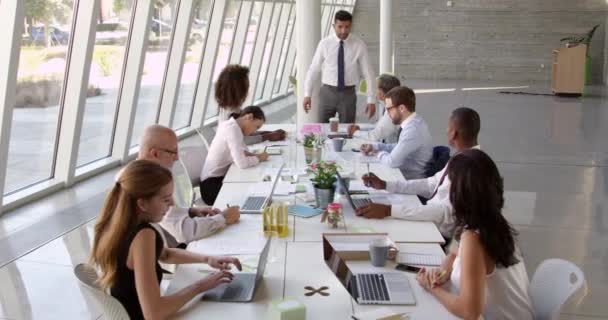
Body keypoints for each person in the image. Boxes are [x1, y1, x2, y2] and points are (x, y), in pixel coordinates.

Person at [91, 160, 242, 320]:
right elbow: (154, 313)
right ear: (142, 204)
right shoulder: (143, 236)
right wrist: (201, 286)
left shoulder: (115, 224)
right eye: (165, 199)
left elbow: (165, 254)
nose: (170, 205)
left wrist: (207, 258)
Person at [416, 149, 534, 320]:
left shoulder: (474, 238)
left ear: (462, 193)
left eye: (451, 186)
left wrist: (432, 288)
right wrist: (442, 272)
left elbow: (468, 312)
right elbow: (455, 254)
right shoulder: (491, 220)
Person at [357, 107, 481, 239]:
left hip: (440, 233)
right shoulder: (463, 158)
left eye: (448, 128)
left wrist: (389, 210)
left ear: (453, 134)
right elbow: (430, 185)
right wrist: (386, 185)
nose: (446, 131)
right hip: (431, 218)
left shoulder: (469, 167)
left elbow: (443, 213)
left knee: (381, 235)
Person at [137, 125, 240, 244]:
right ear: (154, 154)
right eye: (173, 152)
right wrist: (223, 218)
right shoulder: (148, 185)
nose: (177, 158)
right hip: (175, 249)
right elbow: (185, 233)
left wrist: (190, 211)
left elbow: (170, 214)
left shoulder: (141, 173)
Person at [303, 10, 376, 123]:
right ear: (334, 26)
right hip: (327, 92)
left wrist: (371, 100)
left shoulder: (359, 44)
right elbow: (313, 69)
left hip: (348, 94)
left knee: (347, 130)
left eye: (347, 27)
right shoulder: (324, 44)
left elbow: (368, 73)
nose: (343, 31)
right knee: (322, 130)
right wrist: (307, 94)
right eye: (340, 27)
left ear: (351, 26)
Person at [200, 106, 269, 205]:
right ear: (249, 117)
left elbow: (242, 151)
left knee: (250, 185)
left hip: (216, 181)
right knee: (250, 191)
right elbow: (241, 163)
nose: (254, 131)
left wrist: (256, 155)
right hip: (211, 188)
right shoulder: (232, 129)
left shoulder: (232, 126)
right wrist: (258, 158)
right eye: (256, 127)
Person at [360, 86, 432, 180]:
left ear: (402, 108)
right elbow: (400, 146)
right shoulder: (415, 121)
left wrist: (377, 153)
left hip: (408, 181)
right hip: (402, 175)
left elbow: (391, 161)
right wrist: (376, 146)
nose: (387, 113)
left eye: (389, 109)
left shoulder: (413, 130)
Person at [215, 64, 285, 144]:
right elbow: (241, 140)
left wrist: (267, 133)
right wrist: (268, 136)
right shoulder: (230, 114)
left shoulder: (230, 108)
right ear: (238, 89)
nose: (248, 91)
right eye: (246, 87)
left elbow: (243, 133)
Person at [347, 74, 401, 143]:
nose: (373, 91)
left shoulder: (392, 113)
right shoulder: (387, 105)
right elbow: (378, 127)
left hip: (390, 150)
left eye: (375, 88)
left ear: (382, 93)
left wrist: (355, 132)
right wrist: (359, 129)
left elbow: (375, 136)